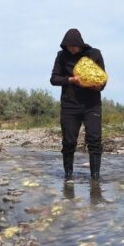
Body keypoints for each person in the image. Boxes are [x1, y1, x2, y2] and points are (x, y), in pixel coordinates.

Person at [50, 29, 106, 181]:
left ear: (80, 44)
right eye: (68, 46)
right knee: (69, 142)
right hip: (69, 106)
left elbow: (103, 80)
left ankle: (95, 178)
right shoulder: (61, 56)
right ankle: (68, 176)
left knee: (94, 140)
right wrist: (70, 80)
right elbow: (54, 79)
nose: (71, 49)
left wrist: (96, 85)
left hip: (92, 105)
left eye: (74, 46)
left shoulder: (94, 54)